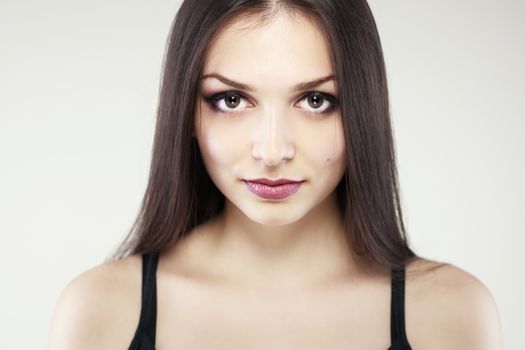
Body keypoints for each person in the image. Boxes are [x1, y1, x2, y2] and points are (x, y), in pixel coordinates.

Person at [48, 1, 504, 349]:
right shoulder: (101, 312)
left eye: (315, 101)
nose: (272, 151)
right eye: (231, 100)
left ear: (363, 110)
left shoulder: (451, 314)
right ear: (186, 109)